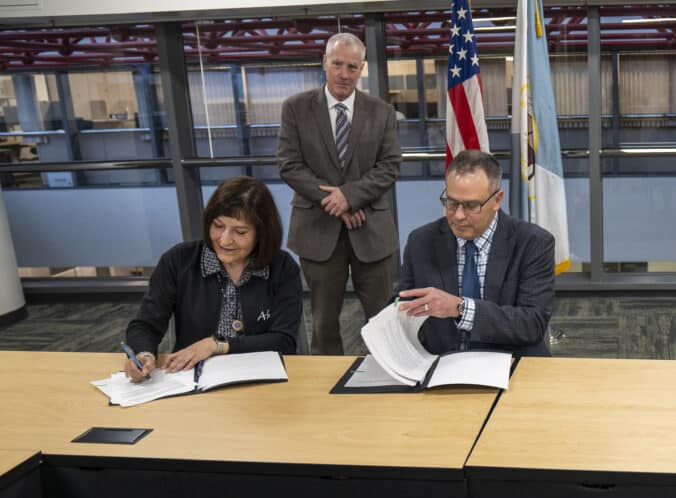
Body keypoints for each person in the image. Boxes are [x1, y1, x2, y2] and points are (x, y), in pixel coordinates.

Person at [277, 32, 401, 355]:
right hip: (317, 230)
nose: (344, 74)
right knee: (323, 323)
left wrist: (350, 196)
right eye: (337, 65)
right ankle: (325, 392)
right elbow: (289, 165)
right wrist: (336, 202)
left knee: (383, 320)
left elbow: (390, 166)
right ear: (324, 63)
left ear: (361, 69)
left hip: (370, 230)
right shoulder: (295, 108)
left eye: (352, 67)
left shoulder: (382, 112)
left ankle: (389, 376)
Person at [123, 176, 303, 382]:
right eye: (218, 226)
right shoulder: (179, 260)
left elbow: (283, 341)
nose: (225, 240)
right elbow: (145, 325)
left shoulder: (282, 267)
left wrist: (215, 345)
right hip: (193, 380)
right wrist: (143, 354)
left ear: (262, 233)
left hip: (263, 380)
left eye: (240, 231)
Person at [397, 150, 554, 356]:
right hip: (442, 364)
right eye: (451, 203)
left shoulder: (533, 243)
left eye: (471, 205)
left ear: (497, 200)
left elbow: (532, 324)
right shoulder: (421, 241)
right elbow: (403, 305)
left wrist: (461, 308)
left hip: (511, 363)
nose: (458, 216)